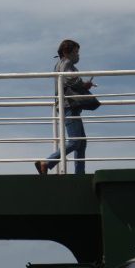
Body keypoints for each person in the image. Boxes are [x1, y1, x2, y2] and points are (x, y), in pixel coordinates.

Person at [35, 40, 95, 175]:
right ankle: (47, 162)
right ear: (66, 52)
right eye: (76, 52)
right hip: (69, 104)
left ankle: (80, 173)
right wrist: (84, 84)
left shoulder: (59, 64)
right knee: (75, 141)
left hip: (67, 104)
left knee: (82, 142)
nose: (77, 55)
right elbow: (70, 79)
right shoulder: (66, 63)